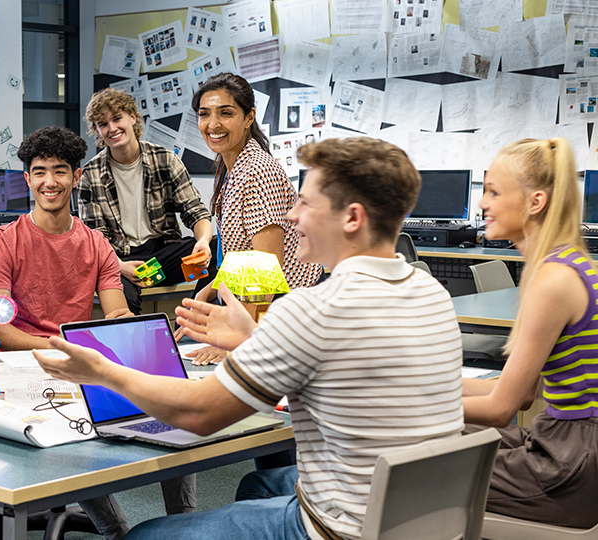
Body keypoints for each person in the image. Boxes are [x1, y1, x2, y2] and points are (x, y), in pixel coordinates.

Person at [35, 137, 465, 540]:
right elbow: (349, 364)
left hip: (338, 529)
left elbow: (200, 415)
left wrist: (102, 371)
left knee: (145, 535)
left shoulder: (314, 309)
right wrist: (256, 338)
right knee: (258, 484)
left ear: (352, 217)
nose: (291, 217)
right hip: (420, 518)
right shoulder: (430, 292)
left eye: (304, 203)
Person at [0, 126, 195, 540]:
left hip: (79, 362)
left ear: (77, 178)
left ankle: (181, 526)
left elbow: (115, 310)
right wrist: (66, 348)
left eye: (60, 171)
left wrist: (138, 334)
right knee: (77, 419)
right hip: (27, 365)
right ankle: (117, 533)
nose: (50, 182)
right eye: (39, 172)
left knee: (168, 403)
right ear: (27, 179)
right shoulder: (5, 243)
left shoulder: (96, 244)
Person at [462, 137, 598, 529]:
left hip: (567, 464)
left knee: (413, 464)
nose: (482, 203)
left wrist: (403, 407)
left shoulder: (552, 279)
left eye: (492, 191)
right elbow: (521, 393)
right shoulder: (569, 264)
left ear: (535, 202)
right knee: (440, 433)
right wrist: (429, 386)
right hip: (566, 444)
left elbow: (501, 410)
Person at [186, 73, 324, 365]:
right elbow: (244, 256)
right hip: (255, 305)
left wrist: (239, 343)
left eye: (226, 113)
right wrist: (208, 292)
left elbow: (264, 266)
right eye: (204, 114)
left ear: (249, 118)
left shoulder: (257, 170)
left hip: (283, 310)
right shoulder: (233, 167)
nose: (213, 125)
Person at [79, 88, 215, 315]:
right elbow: (95, 239)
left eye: (117, 118)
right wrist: (121, 267)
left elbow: (195, 212)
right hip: (118, 258)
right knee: (124, 298)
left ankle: (190, 319)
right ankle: (138, 347)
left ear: (132, 117)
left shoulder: (165, 159)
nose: (112, 128)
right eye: (103, 124)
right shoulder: (90, 175)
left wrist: (203, 240)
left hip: (163, 254)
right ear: (97, 131)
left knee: (216, 250)